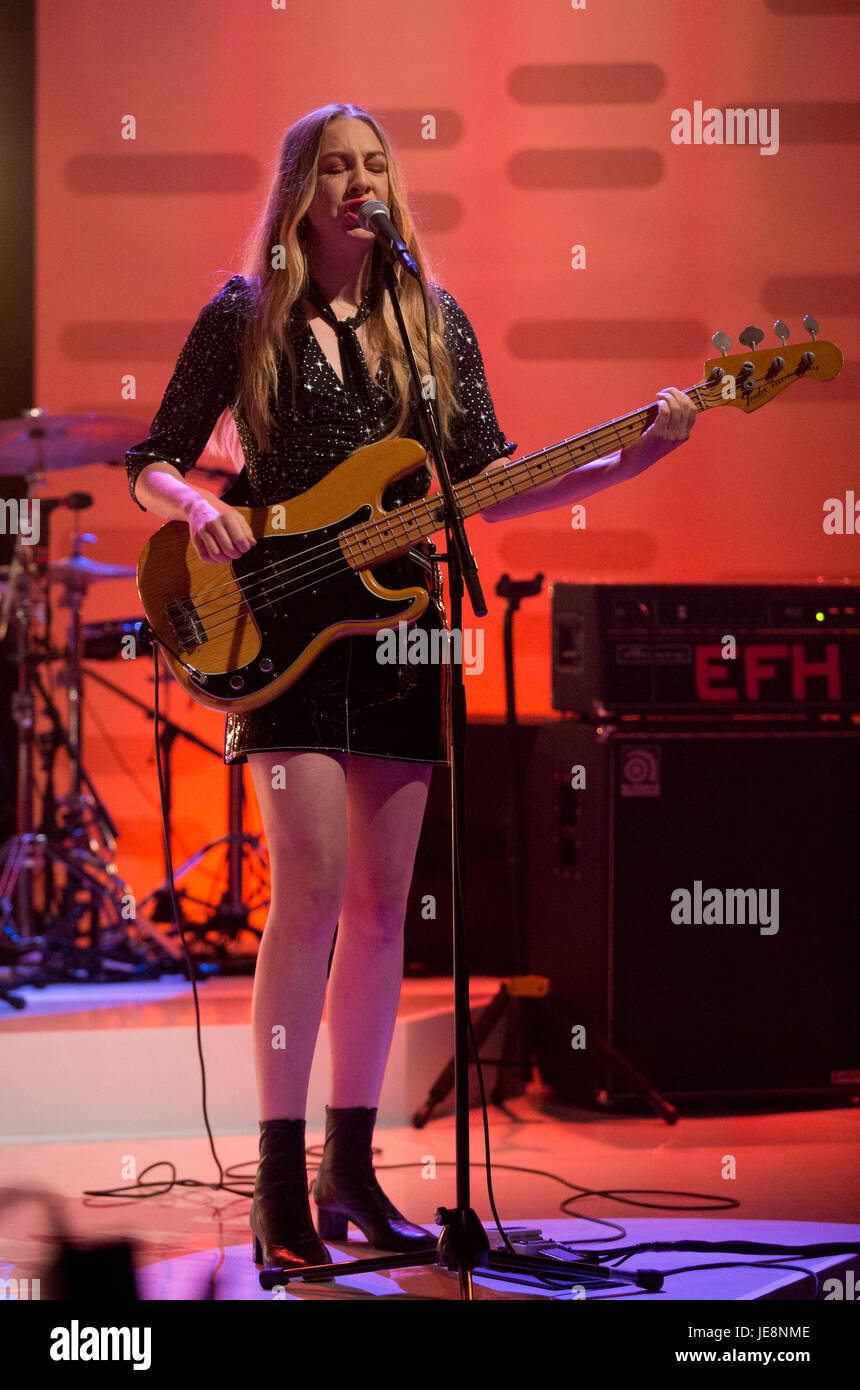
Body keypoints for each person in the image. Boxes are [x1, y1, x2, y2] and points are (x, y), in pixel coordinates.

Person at [125, 102, 695, 1270]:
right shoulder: (243, 316)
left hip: (397, 632)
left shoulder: (430, 322)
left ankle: (350, 1167)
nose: (357, 182)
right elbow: (150, 461)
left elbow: (482, 481)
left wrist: (630, 454)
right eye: (335, 166)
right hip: (276, 627)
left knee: (386, 911)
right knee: (315, 892)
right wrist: (200, 507)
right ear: (297, 192)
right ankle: (277, 1179)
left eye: (372, 164)